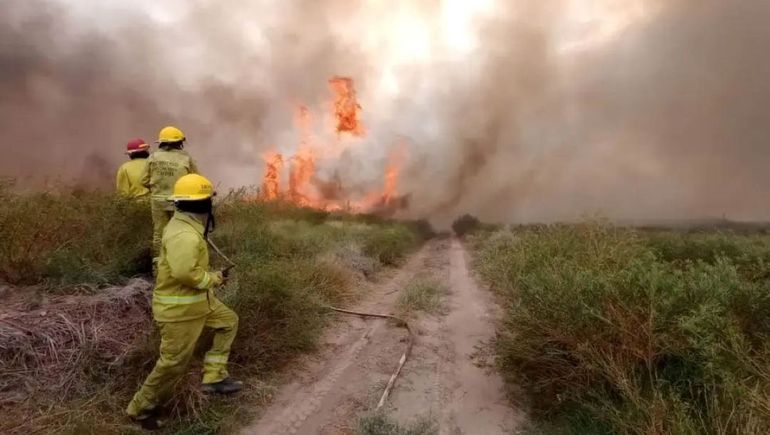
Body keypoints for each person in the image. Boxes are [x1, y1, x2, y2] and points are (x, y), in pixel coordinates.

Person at [126, 174, 241, 429]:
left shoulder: (186, 224)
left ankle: (213, 377)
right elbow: (185, 274)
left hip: (200, 302)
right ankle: (140, 408)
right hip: (181, 310)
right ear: (202, 204)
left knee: (228, 322)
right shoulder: (184, 235)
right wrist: (213, 279)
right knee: (173, 363)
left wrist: (211, 283)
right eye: (208, 201)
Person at [141, 126, 199, 259]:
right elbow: (196, 177)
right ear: (180, 142)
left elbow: (143, 180)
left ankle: (159, 265)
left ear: (161, 142)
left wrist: (157, 188)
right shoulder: (186, 157)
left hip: (158, 201)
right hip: (180, 201)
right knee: (181, 231)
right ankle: (180, 261)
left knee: (159, 234)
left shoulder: (153, 157)